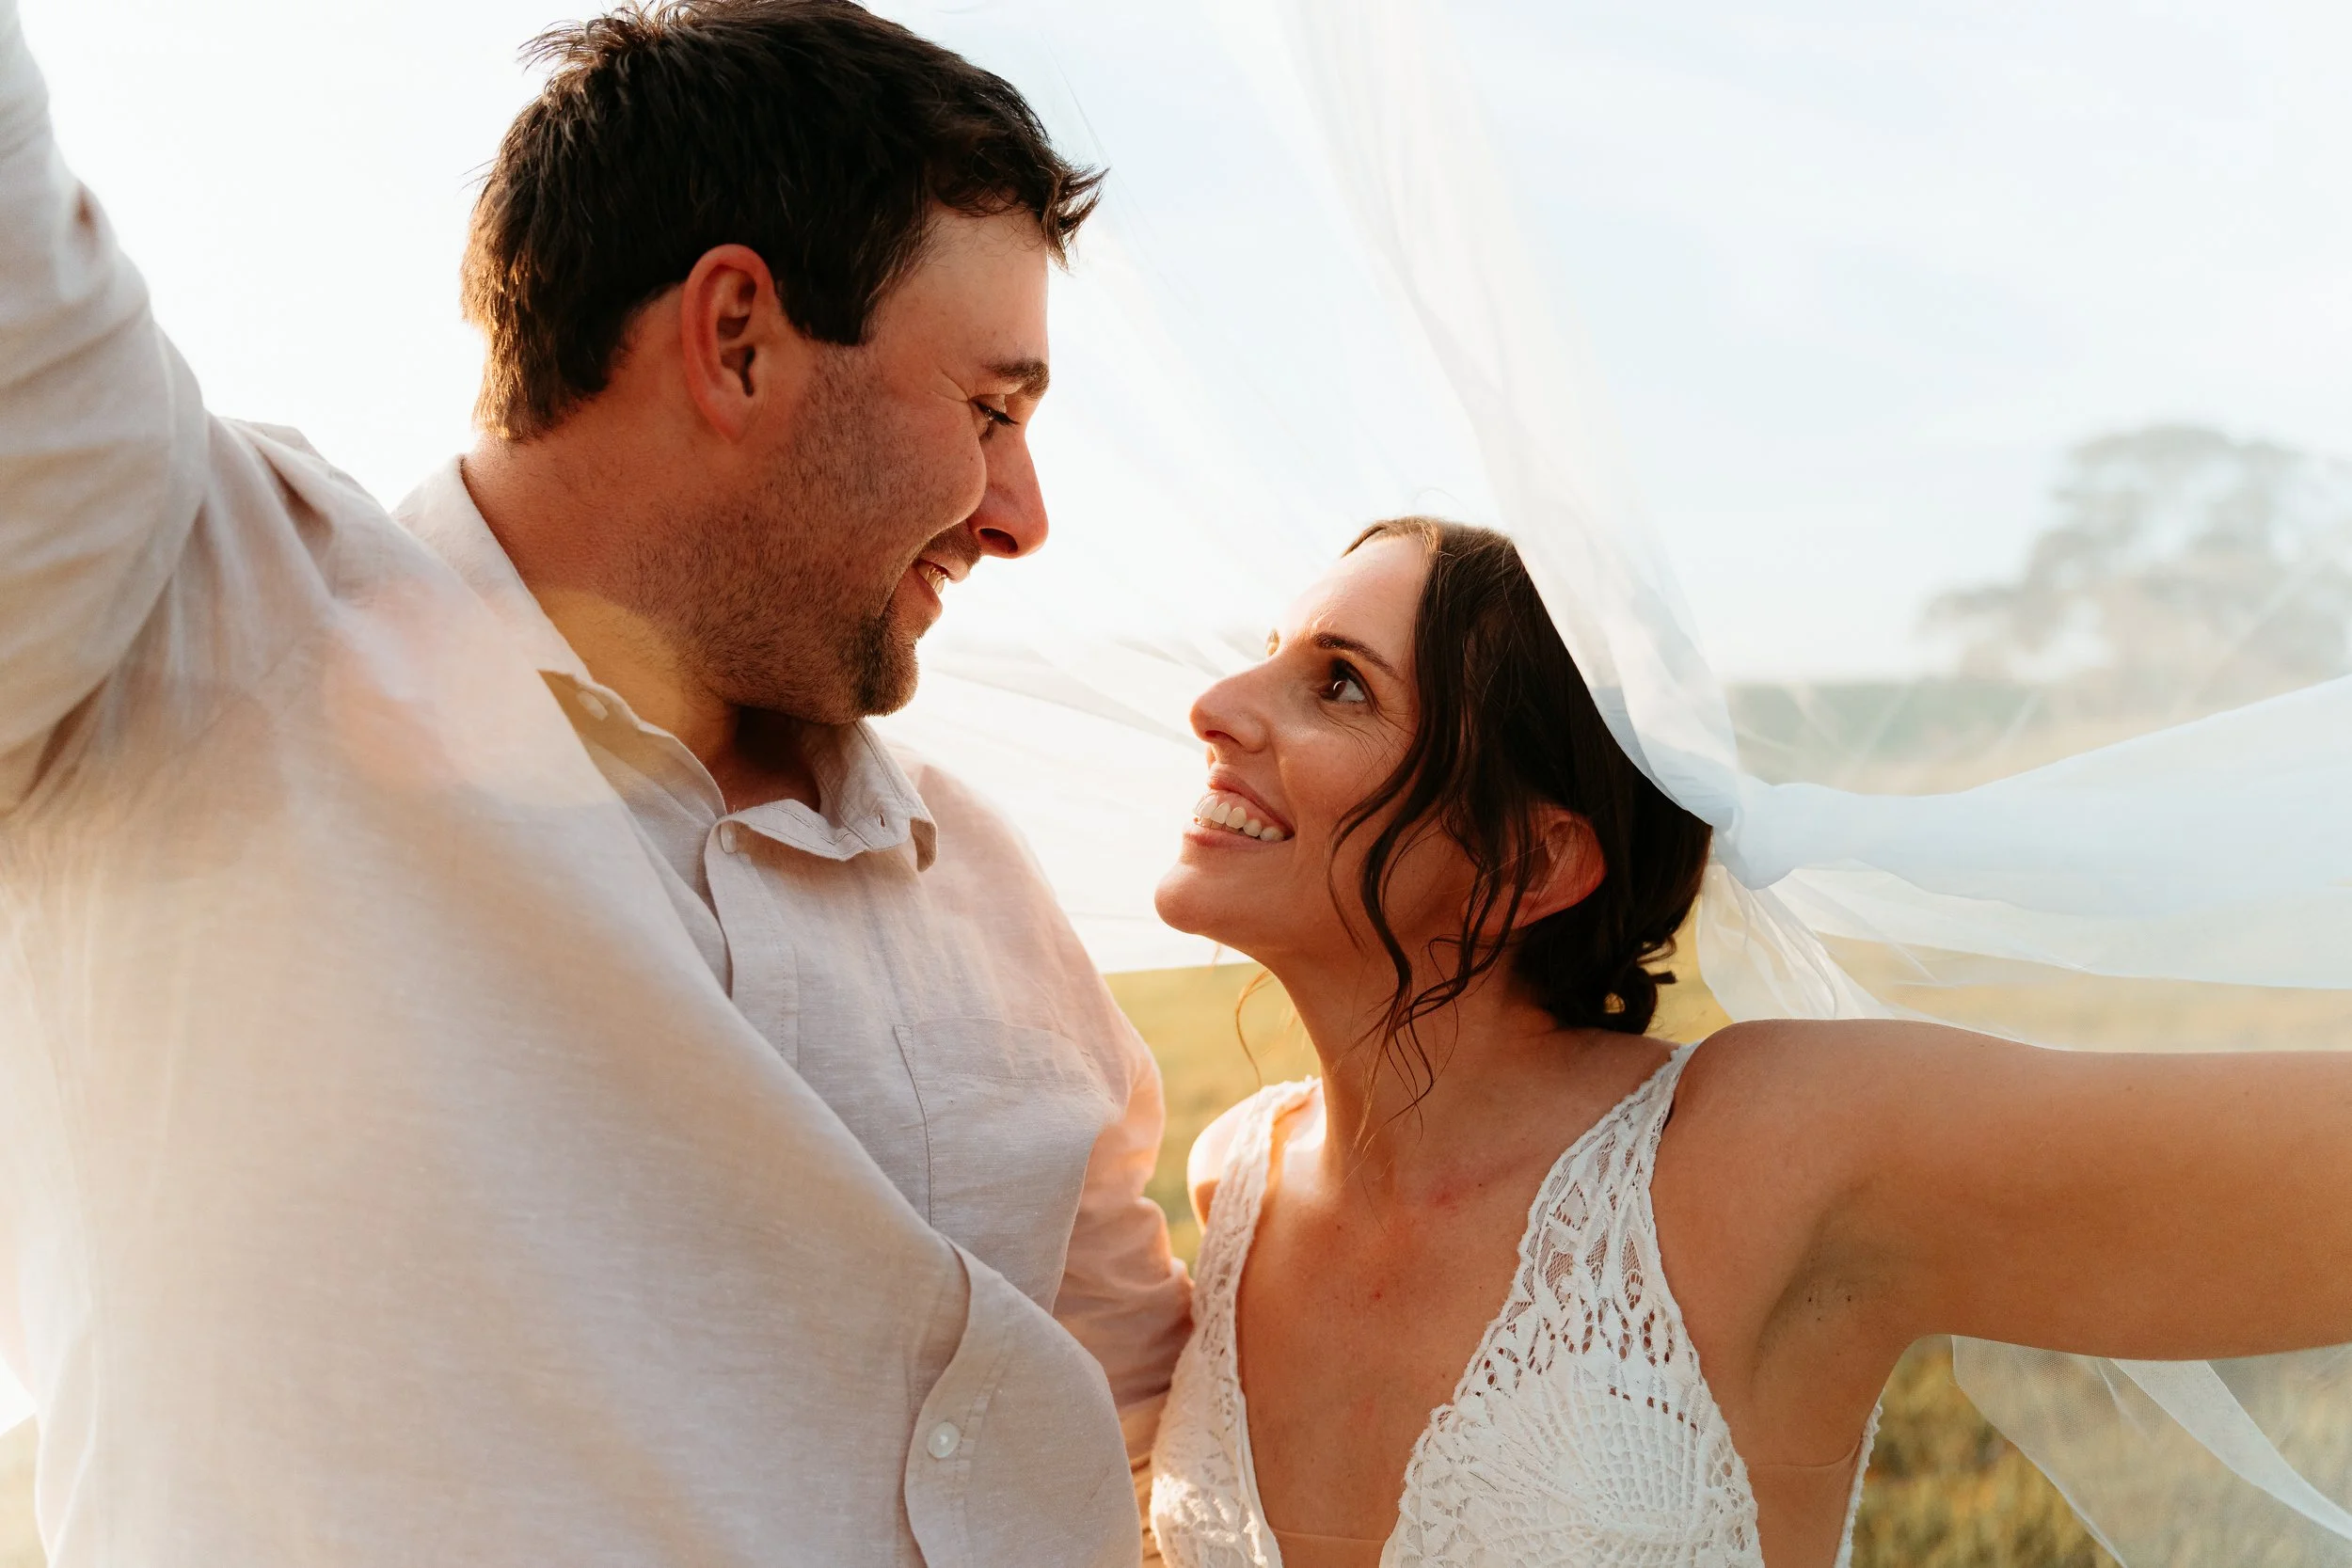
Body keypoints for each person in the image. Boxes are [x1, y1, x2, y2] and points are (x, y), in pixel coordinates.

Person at [0, 1, 1185, 1563]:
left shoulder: (992, 889)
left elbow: (1174, 1414)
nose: (1020, 512)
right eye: (991, 409)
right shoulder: (187, 625)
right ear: (738, 336)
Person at [1146, 516, 2352, 1568]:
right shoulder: (1234, 1180)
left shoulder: (1756, 1155)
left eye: (1341, 683)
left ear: (1526, 862)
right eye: (1270, 660)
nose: (1214, 708)